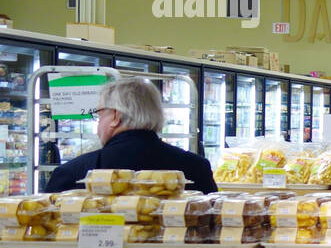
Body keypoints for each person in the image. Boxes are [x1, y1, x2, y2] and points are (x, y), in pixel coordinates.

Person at [45, 78, 218, 194]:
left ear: (115, 117)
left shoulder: (73, 172)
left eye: (99, 115)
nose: (98, 126)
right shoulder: (196, 167)